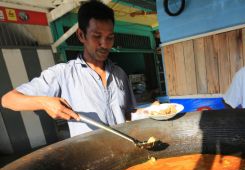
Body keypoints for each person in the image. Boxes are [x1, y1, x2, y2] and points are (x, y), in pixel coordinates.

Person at [1, 0, 141, 137]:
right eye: (97, 36)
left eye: (109, 37)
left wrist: (150, 112)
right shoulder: (63, 74)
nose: (104, 44)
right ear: (81, 35)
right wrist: (44, 102)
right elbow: (8, 100)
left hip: (125, 150)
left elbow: (128, 114)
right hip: (91, 156)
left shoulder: (119, 74)